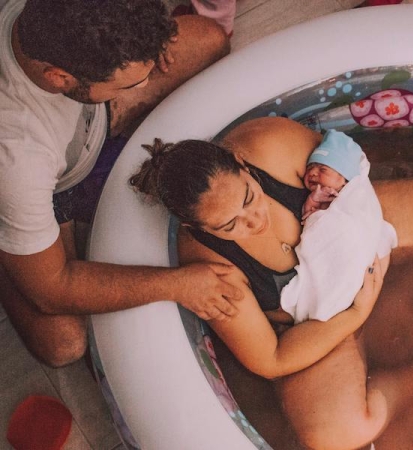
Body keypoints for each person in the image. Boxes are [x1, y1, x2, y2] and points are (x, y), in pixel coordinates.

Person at [130, 116, 413, 449]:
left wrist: (359, 222)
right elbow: (271, 359)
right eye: (230, 225)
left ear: (241, 165)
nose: (254, 221)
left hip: (362, 238)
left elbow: (347, 163)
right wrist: (356, 313)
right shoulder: (209, 265)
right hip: (316, 324)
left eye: (249, 198)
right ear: (196, 228)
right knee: (334, 433)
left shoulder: (268, 144)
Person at [0, 0, 240, 369]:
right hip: (51, 186)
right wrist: (177, 284)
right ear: (59, 77)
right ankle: (13, 248)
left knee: (208, 39)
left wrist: (144, 43)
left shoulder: (57, 31)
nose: (146, 81)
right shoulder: (16, 156)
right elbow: (53, 288)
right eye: (130, 83)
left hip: (84, 123)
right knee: (63, 343)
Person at [281, 129, 397, 323]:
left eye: (323, 169)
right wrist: (312, 204)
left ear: (344, 179)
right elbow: (309, 221)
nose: (313, 173)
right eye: (311, 168)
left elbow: (360, 223)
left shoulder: (352, 197)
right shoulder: (318, 196)